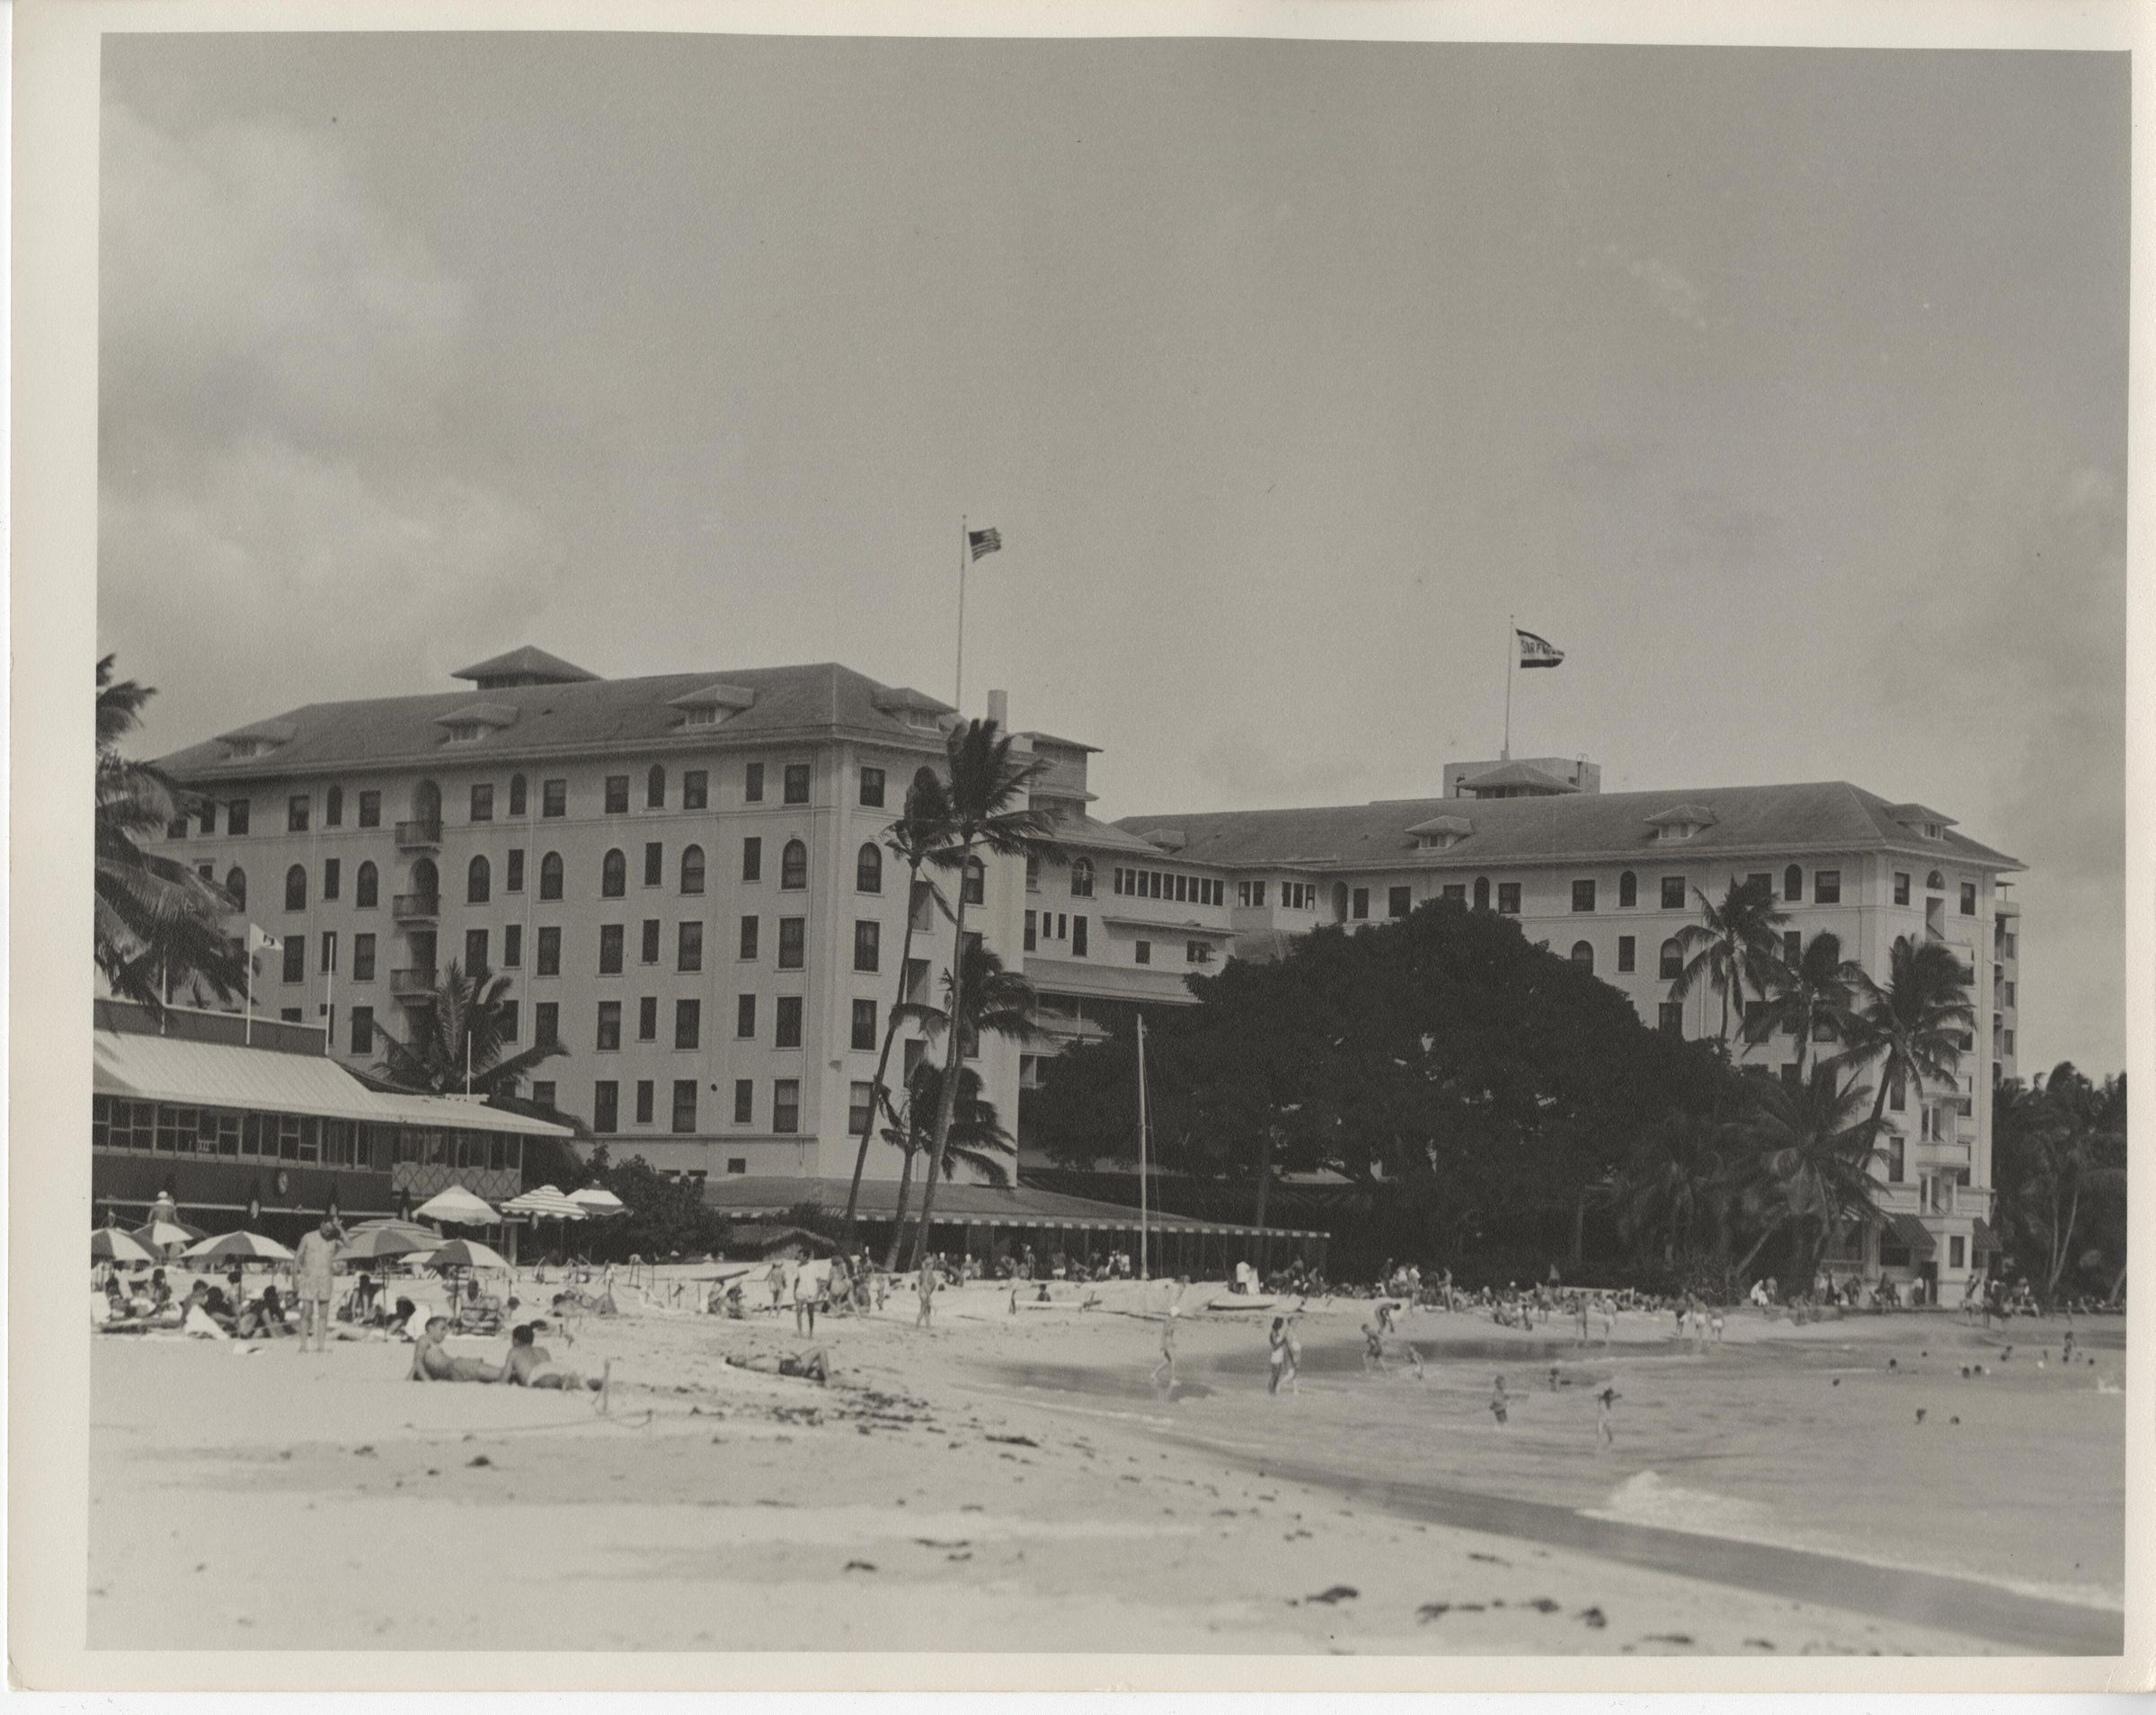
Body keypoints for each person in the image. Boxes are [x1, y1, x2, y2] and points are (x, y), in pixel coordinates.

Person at [500, 1323, 611, 1407]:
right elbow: (547, 1367)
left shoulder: (514, 1351)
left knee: (548, 1380)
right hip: (556, 1367)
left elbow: (504, 1378)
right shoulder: (542, 1350)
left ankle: (563, 1381)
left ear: (516, 1340)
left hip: (537, 1373)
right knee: (571, 1379)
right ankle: (591, 1382)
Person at [292, 1214, 344, 1353]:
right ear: (321, 1224)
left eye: (330, 1230)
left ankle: (321, 1345)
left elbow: (350, 1245)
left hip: (326, 1278)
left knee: (323, 1314)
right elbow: (297, 1257)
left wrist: (339, 1228)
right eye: (325, 1230)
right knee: (306, 1313)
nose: (327, 1233)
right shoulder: (308, 1237)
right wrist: (294, 1278)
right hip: (309, 1278)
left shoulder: (333, 1239)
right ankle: (303, 1345)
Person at [407, 1316, 504, 1382]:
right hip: (456, 1367)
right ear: (430, 1328)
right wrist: (427, 1380)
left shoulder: (429, 1343)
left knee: (496, 1373)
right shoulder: (424, 1339)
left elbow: (417, 1363)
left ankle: (513, 1373)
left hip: (456, 1367)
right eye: (442, 1328)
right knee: (496, 1374)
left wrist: (410, 1378)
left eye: (446, 1329)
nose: (445, 1333)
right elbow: (418, 1361)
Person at [725, 1347, 830, 1385]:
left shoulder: (751, 1361)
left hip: (789, 1366)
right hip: (790, 1368)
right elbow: (771, 1368)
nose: (739, 1356)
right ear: (737, 1364)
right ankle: (828, 1381)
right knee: (820, 1350)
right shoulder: (751, 1364)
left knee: (819, 1372)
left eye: (737, 1356)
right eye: (737, 1359)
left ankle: (826, 1377)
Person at [1596, 1384, 1621, 1449]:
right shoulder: (1604, 1398)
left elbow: (1614, 1397)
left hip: (1605, 1415)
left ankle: (1604, 1441)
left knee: (1603, 1427)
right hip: (1604, 1415)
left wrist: (1618, 1396)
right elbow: (1615, 1396)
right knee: (1604, 1427)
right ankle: (1608, 1439)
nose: (1608, 1395)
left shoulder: (1605, 1398)